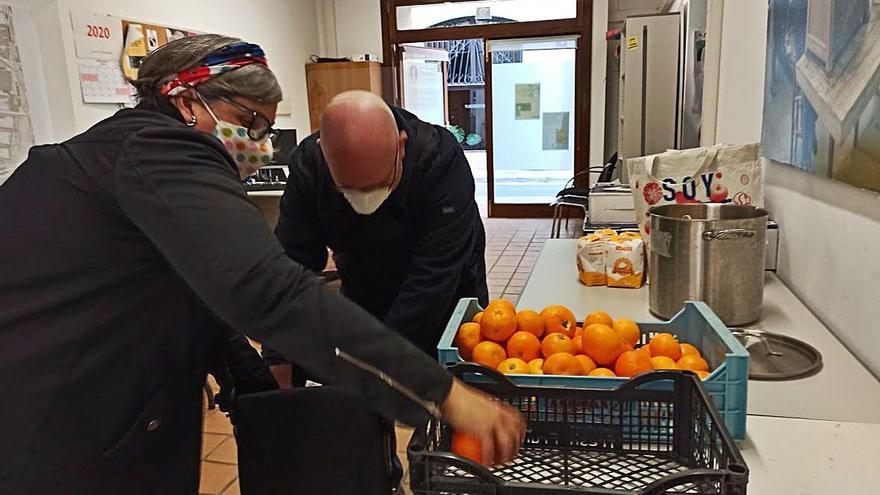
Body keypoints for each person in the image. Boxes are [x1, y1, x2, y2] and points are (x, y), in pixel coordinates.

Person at [0, 35, 523, 493]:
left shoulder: (126, 157)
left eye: (267, 130)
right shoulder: (158, 150)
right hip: (60, 413)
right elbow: (271, 285)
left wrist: (256, 384)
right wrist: (442, 394)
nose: (260, 145)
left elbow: (202, 295)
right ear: (185, 101)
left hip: (113, 402)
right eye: (250, 122)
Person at [264, 91, 488, 386]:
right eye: (348, 190)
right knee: (365, 393)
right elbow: (289, 266)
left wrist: (380, 364)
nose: (365, 201)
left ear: (402, 145)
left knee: (442, 384)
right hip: (363, 279)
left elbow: (433, 277)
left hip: (443, 290)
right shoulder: (310, 166)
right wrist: (277, 354)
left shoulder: (439, 161)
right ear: (323, 151)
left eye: (380, 185)